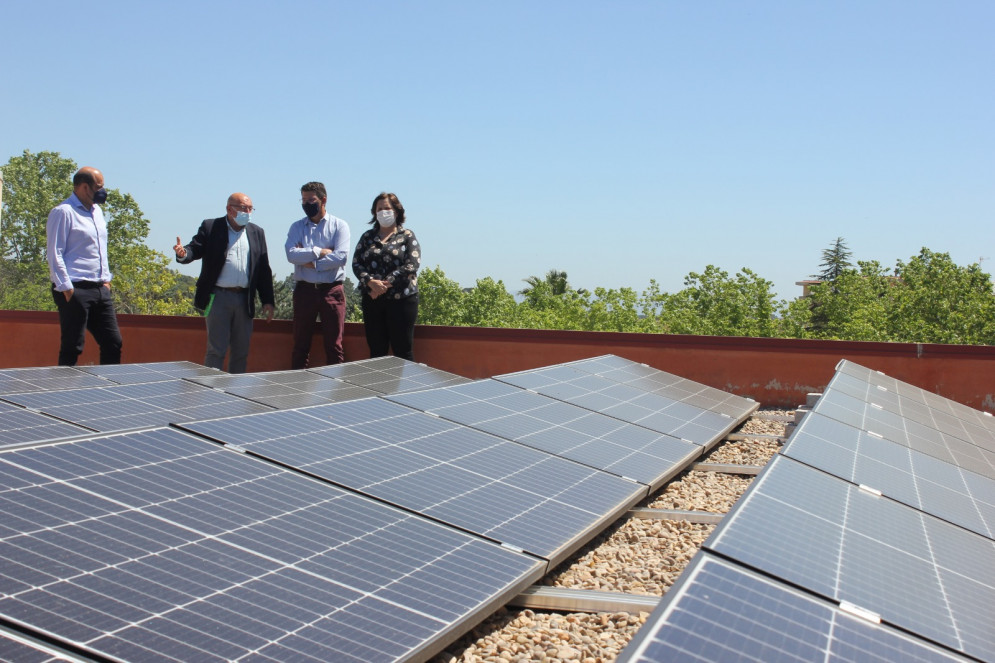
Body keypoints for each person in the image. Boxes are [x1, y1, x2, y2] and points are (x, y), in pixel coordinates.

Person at [174, 193, 275, 373]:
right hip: (218, 297)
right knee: (216, 350)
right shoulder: (211, 226)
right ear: (229, 209)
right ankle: (211, 391)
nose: (248, 212)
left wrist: (268, 300)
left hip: (244, 299)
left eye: (250, 208)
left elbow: (263, 269)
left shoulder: (256, 232)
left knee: (241, 351)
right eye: (244, 208)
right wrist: (183, 254)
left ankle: (235, 392)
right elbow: (194, 249)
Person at [46, 167, 123, 366]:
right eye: (98, 187)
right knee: (73, 346)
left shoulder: (98, 212)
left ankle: (108, 391)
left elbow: (100, 248)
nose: (102, 191)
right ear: (83, 187)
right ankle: (63, 392)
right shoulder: (63, 212)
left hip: (100, 289)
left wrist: (106, 280)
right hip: (75, 288)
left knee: (113, 342)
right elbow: (55, 252)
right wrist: (67, 288)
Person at [284, 181, 351, 369]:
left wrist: (307, 261)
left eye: (311, 200)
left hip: (332, 291)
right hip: (304, 291)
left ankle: (336, 391)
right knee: (300, 345)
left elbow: (340, 258)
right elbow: (290, 255)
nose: (306, 204)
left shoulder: (340, 226)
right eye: (303, 200)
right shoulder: (296, 227)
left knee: (334, 346)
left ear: (323, 200)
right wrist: (318, 251)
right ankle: (297, 389)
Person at [352, 192, 420, 361]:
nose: (383, 212)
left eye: (387, 208)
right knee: (376, 353)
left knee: (403, 352)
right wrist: (370, 283)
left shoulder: (407, 236)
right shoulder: (367, 237)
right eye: (379, 209)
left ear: (397, 211)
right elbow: (356, 263)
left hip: (402, 301)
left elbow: (412, 265)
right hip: (372, 300)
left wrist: (383, 285)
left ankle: (407, 388)